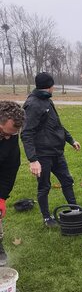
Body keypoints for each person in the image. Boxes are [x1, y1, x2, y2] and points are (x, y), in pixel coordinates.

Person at [21, 72, 81, 227]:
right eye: (53, 85)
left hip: (57, 152)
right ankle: (47, 218)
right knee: (44, 186)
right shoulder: (32, 104)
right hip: (42, 155)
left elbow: (57, 125)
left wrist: (71, 140)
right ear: (50, 86)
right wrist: (33, 159)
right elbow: (26, 133)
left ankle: (76, 210)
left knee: (67, 181)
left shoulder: (47, 101)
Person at [0, 101, 24, 266]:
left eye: (13, 134)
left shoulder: (11, 137)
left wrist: (1, 197)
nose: (8, 137)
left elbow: (9, 170)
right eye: (3, 132)